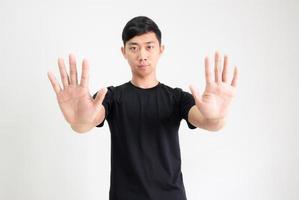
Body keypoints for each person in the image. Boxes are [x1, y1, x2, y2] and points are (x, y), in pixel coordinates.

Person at [47, 16, 238, 200]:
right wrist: (79, 120)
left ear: (161, 50)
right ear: (124, 52)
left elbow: (208, 122)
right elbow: (85, 122)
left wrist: (217, 117)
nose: (142, 55)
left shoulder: (176, 98)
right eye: (134, 48)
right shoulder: (112, 97)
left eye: (149, 47)